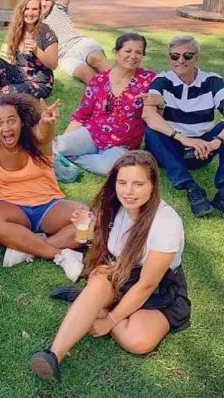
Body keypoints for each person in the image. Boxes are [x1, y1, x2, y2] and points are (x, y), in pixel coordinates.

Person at [29, 150, 190, 381]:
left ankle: (93, 306)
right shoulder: (113, 205)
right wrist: (88, 234)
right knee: (99, 282)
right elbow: (104, 248)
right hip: (118, 273)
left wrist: (108, 321)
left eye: (138, 184)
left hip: (157, 289)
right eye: (122, 182)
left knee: (138, 341)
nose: (129, 191)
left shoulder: (166, 223)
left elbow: (147, 284)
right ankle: (52, 356)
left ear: (153, 185)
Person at [0, 94, 86, 281]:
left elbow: (44, 133)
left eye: (11, 120)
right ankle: (59, 254)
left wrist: (47, 122)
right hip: (11, 206)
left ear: (22, 122)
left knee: (88, 221)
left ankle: (26, 248)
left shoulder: (36, 138)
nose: (6, 128)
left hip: (48, 204)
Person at [142, 35, 224, 222]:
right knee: (152, 130)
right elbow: (148, 115)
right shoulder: (162, 81)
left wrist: (216, 142)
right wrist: (183, 139)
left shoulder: (212, 81)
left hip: (202, 150)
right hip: (170, 149)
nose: (180, 60)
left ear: (196, 57)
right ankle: (191, 188)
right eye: (174, 56)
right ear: (169, 58)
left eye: (187, 55)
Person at [55, 33, 156, 175]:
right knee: (56, 146)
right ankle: (67, 153)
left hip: (123, 144)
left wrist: (160, 102)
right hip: (92, 133)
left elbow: (162, 100)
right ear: (116, 52)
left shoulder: (148, 79)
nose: (133, 56)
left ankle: (74, 157)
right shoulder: (99, 80)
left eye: (138, 52)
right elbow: (81, 116)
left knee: (109, 168)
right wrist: (66, 141)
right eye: (128, 51)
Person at [38, 0, 112, 84]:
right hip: (64, 56)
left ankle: (129, 88)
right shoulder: (33, 19)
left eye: (47, 0)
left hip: (79, 43)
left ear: (53, 0)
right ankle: (107, 99)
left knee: (97, 60)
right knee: (85, 73)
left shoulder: (58, 7)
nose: (43, 4)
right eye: (40, 0)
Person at [0, 0, 58, 101]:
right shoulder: (17, 29)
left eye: (34, 9)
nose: (30, 13)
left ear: (40, 12)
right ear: (21, 10)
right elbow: (13, 61)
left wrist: (36, 50)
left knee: (5, 91)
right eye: (27, 8)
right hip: (19, 75)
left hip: (38, 82)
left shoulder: (46, 33)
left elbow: (53, 64)